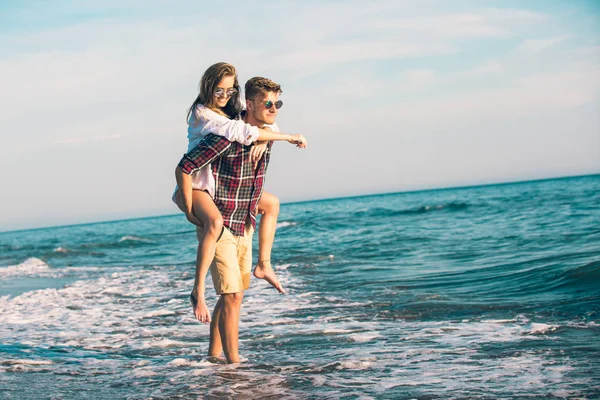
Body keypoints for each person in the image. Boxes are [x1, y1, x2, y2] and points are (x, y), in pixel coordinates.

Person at [175, 76, 303, 363]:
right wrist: (188, 208)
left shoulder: (266, 130)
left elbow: (268, 128)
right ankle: (235, 367)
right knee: (232, 297)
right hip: (219, 221)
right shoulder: (225, 135)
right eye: (267, 103)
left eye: (277, 103)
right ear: (249, 103)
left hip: (244, 220)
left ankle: (213, 358)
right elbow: (185, 166)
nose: (273, 108)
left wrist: (268, 132)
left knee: (233, 295)